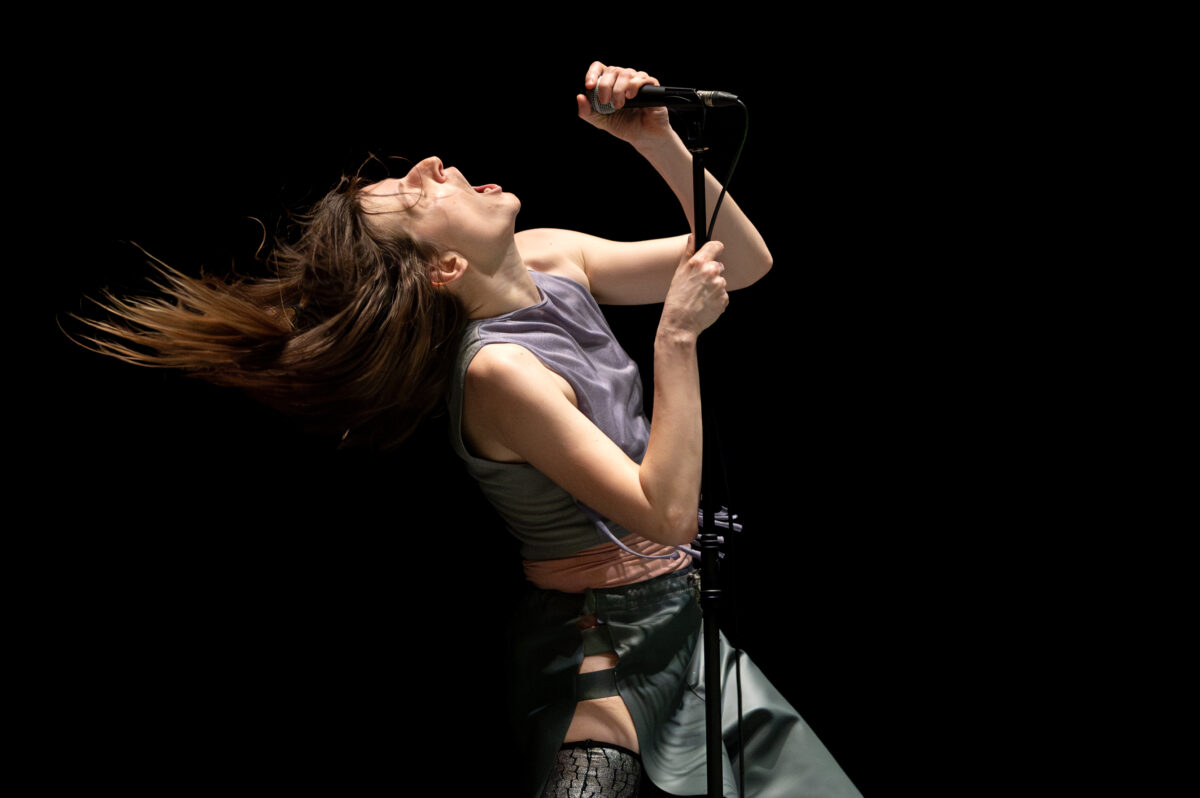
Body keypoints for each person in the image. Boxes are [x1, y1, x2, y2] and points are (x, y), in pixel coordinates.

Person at [74, 62, 861, 797]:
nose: (430, 165)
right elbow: (664, 513)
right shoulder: (498, 372)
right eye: (417, 195)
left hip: (678, 618)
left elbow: (743, 263)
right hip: (604, 645)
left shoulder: (550, 256)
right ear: (446, 268)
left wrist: (657, 142)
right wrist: (676, 339)